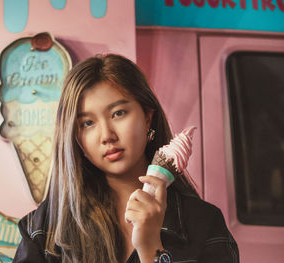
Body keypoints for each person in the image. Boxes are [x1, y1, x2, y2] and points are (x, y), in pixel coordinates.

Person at [13, 54, 239, 263]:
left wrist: (151, 248)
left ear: (148, 118)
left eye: (118, 113)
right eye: (87, 123)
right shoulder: (44, 229)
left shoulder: (204, 224)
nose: (107, 136)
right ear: (76, 138)